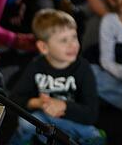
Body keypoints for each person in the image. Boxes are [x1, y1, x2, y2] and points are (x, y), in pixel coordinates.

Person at [9, 9, 104, 145]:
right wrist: (39, 103)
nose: (73, 45)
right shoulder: (36, 66)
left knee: (90, 133)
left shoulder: (83, 68)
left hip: (73, 120)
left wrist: (64, 106)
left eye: (74, 37)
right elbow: (14, 100)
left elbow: (92, 113)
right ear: (43, 47)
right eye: (64, 40)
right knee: (25, 122)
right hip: (45, 117)